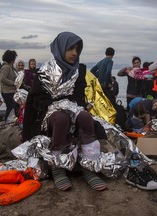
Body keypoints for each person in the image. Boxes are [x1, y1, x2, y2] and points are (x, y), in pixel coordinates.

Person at [23, 32, 107, 191]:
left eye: (77, 49)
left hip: (73, 108)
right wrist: (27, 135)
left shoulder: (79, 70)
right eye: (70, 48)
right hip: (50, 113)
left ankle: (88, 167)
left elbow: (79, 98)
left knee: (86, 117)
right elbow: (35, 101)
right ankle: (58, 168)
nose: (74, 53)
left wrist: (71, 106)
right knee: (61, 120)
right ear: (60, 48)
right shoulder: (43, 72)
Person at [0, 50, 20, 122]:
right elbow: (3, 79)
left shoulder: (10, 67)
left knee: (12, 108)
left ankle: (9, 121)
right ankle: (7, 122)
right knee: (11, 108)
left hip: (10, 91)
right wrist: (14, 83)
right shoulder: (6, 67)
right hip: (7, 91)